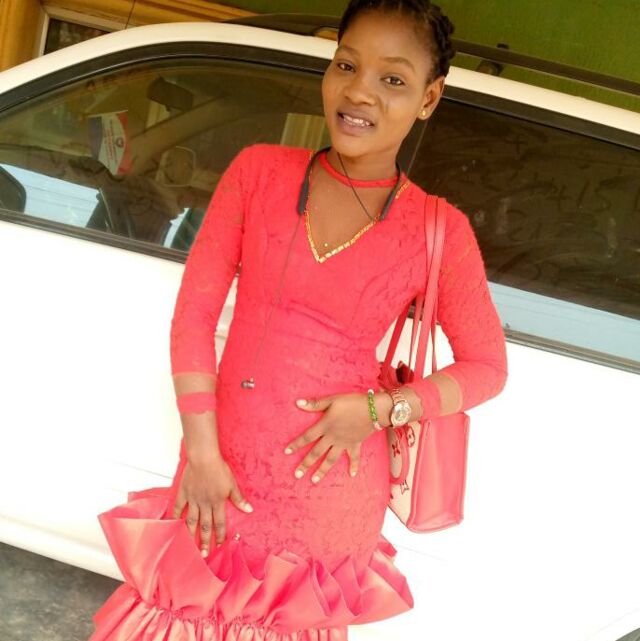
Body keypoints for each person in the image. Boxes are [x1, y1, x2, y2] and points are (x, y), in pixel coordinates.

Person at [87, 1, 508, 639]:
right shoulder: (258, 173)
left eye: (393, 79)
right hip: (218, 472)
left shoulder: (437, 230)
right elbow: (194, 315)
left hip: (330, 505)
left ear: (429, 98)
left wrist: (381, 410)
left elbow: (487, 367)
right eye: (347, 65)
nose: (360, 92)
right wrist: (201, 452)